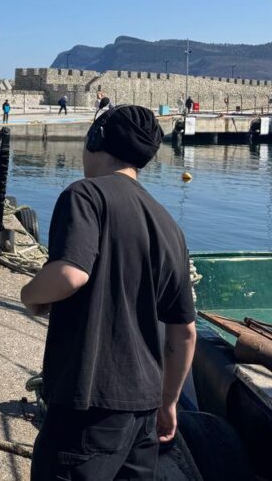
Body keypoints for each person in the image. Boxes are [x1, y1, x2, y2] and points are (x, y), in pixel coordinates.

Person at [21, 105, 197, 480]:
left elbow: (69, 275)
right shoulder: (169, 226)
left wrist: (31, 294)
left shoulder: (85, 196)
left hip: (87, 408)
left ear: (95, 140)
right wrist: (168, 401)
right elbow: (184, 333)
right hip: (144, 413)